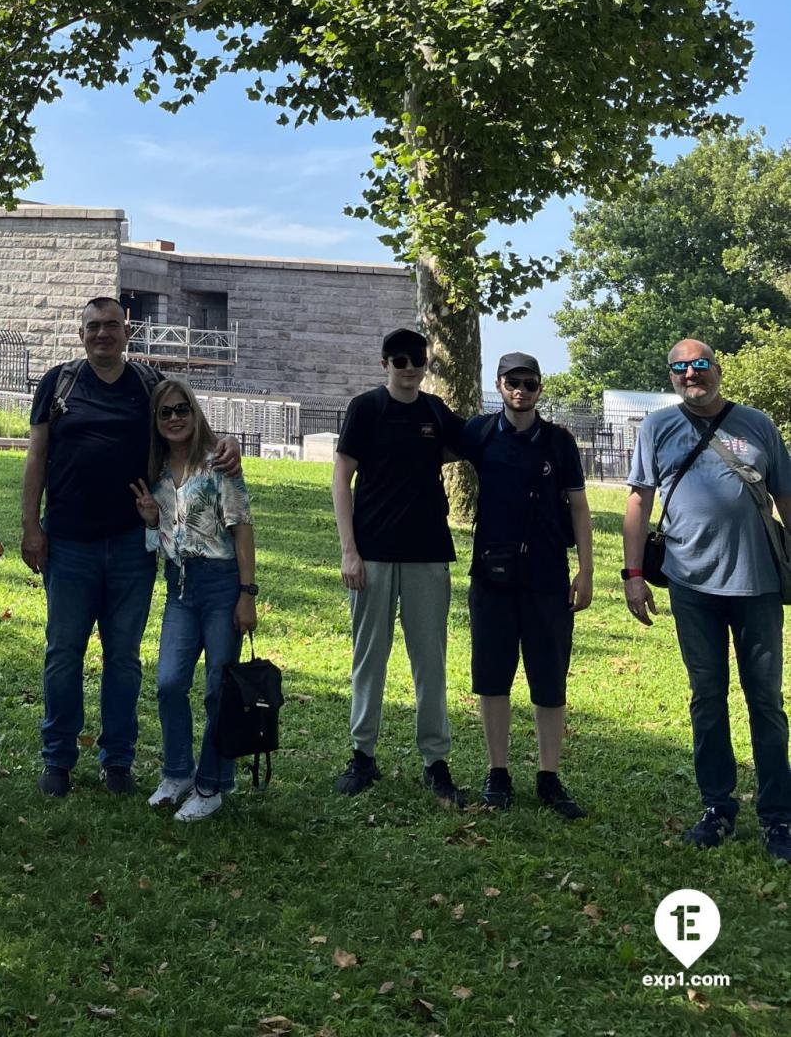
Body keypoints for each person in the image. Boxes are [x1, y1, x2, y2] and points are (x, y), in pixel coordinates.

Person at [22, 295, 240, 798]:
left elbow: (184, 421)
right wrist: (31, 526)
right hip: (69, 542)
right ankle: (57, 759)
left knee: (123, 658)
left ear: (127, 332)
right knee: (63, 654)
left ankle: (117, 760)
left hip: (133, 545)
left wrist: (226, 444)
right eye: (94, 326)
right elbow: (36, 458)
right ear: (81, 334)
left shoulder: (146, 384)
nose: (103, 334)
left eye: (112, 326)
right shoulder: (59, 383)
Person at [623, 338, 791, 862]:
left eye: (699, 365)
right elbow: (638, 498)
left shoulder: (759, 425)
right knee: (707, 698)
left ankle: (779, 817)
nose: (691, 375)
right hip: (691, 586)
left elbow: (786, 495)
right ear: (671, 377)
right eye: (680, 368)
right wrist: (632, 574)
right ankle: (717, 808)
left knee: (766, 702)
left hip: (758, 585)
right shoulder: (657, 428)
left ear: (717, 368)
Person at [330, 326, 465, 804]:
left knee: (431, 659)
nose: (410, 369)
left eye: (417, 360)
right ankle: (362, 755)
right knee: (370, 657)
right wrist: (350, 550)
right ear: (384, 363)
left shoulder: (434, 412)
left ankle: (436, 760)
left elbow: (463, 446)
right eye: (400, 360)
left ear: (426, 365)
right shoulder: (365, 409)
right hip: (372, 553)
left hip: (428, 552)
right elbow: (341, 479)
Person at [459, 352, 591, 820]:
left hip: (548, 575)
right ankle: (498, 772)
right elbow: (420, 452)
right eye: (512, 382)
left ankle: (548, 776)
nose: (521, 390)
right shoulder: (479, 432)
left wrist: (587, 571)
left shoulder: (559, 442)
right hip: (491, 575)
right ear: (498, 385)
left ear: (540, 388)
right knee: (492, 677)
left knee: (549, 677)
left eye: (529, 384)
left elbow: (579, 506)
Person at [130, 379, 256, 823]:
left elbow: (241, 526)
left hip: (222, 586)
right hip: (180, 588)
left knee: (218, 691)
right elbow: (158, 543)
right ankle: (178, 773)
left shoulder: (218, 463)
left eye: (182, 409)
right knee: (168, 684)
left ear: (195, 412)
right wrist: (151, 520)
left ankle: (213, 783)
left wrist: (247, 593)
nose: (175, 418)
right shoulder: (159, 473)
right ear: (157, 422)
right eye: (166, 412)